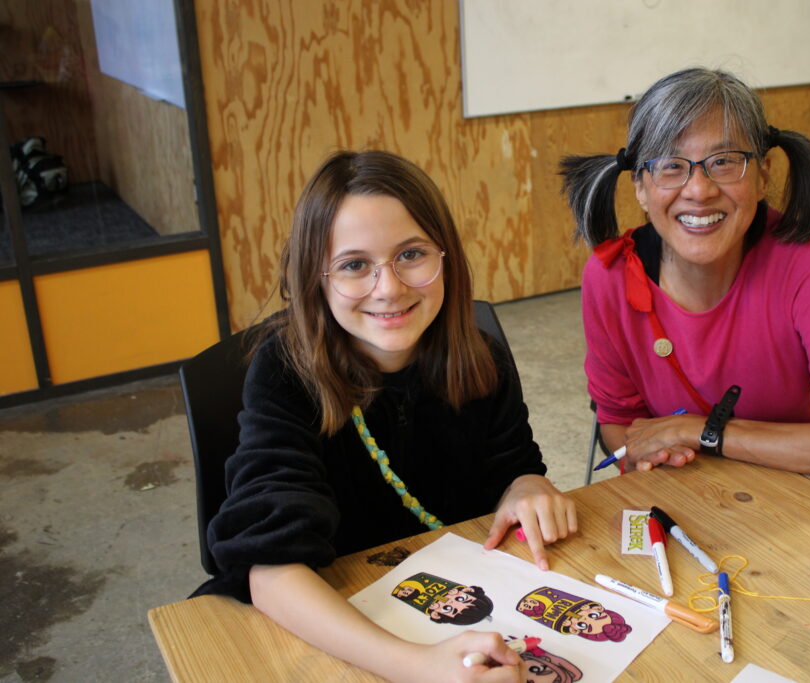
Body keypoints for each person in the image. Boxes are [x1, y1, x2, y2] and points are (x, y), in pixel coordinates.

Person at [194, 150, 577, 681]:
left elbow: (514, 463)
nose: (390, 288)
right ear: (316, 279)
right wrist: (417, 666)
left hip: (459, 601)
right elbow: (269, 566)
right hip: (336, 628)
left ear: (445, 255)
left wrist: (527, 483)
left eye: (411, 254)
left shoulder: (480, 357)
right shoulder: (286, 372)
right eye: (354, 265)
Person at [560, 67, 810, 485]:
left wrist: (701, 431)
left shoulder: (804, 261)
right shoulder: (608, 277)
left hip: (803, 490)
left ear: (763, 175)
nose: (699, 190)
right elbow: (618, 424)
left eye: (724, 162)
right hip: (690, 497)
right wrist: (648, 455)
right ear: (641, 188)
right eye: (670, 165)